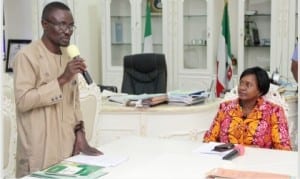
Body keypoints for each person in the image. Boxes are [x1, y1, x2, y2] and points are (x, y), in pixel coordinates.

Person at [13, 2, 103, 177]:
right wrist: (62, 79)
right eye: (61, 24)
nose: (67, 31)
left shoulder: (69, 57)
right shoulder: (26, 56)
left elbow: (74, 102)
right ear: (44, 24)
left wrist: (80, 133)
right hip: (40, 151)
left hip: (68, 149)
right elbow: (23, 101)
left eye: (70, 25)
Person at [203, 66, 292, 150]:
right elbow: (209, 139)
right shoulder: (225, 107)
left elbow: (284, 148)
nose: (242, 88)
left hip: (259, 163)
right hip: (226, 161)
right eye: (241, 83)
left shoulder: (274, 111)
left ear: (260, 91)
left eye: (248, 85)